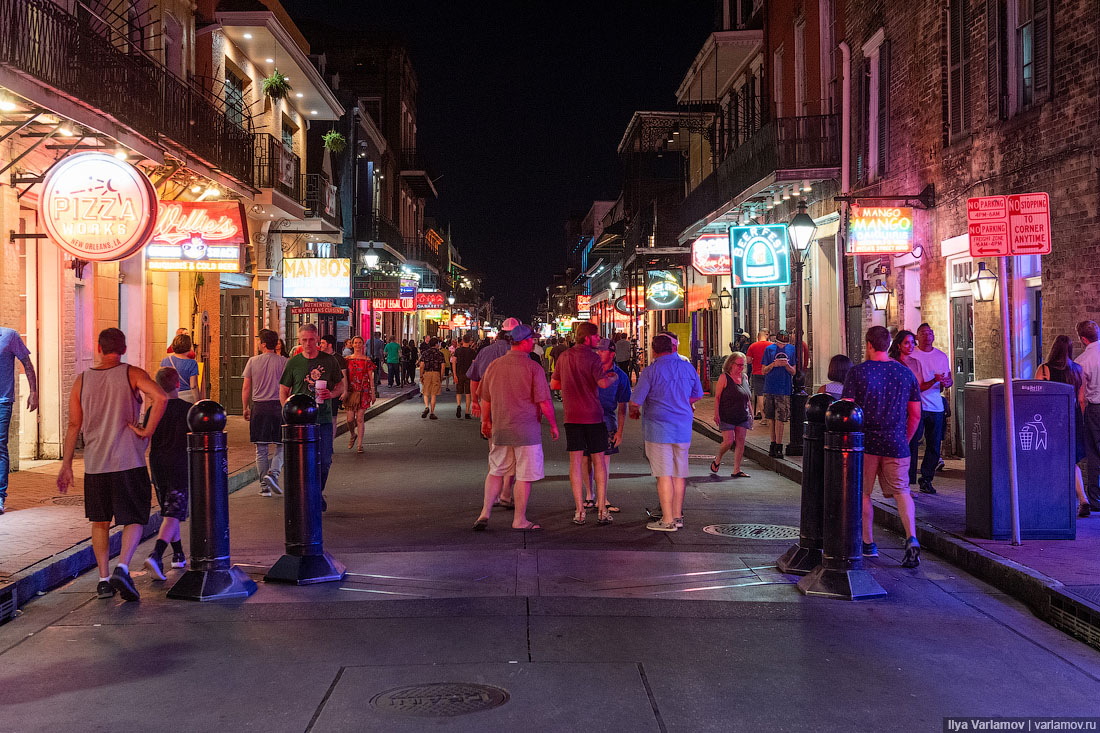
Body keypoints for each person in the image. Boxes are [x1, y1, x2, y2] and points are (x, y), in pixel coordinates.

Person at [58, 328, 167, 601]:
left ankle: (104, 580)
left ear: (98, 348)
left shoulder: (81, 381)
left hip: (95, 465)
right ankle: (123, 567)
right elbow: (161, 397)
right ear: (124, 348)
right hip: (128, 460)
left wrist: (66, 464)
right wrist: (147, 430)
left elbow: (74, 424)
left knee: (100, 521)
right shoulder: (132, 373)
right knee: (135, 518)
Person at [842, 325, 922, 568]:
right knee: (902, 491)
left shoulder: (857, 373)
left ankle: (868, 543)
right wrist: (904, 439)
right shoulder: (905, 373)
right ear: (889, 345)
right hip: (896, 442)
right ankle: (911, 538)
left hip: (864, 444)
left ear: (868, 345)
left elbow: (847, 409)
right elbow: (916, 414)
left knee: (863, 493)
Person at [473, 323, 558, 531]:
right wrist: (554, 425)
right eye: (532, 340)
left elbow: (485, 399)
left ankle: (485, 513)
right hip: (527, 430)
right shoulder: (533, 367)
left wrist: (486, 421)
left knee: (495, 471)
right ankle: (519, 519)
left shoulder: (495, 365)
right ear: (526, 341)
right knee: (524, 476)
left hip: (501, 427)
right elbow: (544, 402)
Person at [630, 333, 703, 531]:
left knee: (664, 475)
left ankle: (668, 520)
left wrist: (635, 410)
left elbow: (636, 400)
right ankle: (678, 516)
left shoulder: (651, 371)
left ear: (654, 350)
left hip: (658, 428)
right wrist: (682, 402)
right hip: (683, 428)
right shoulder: (687, 367)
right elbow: (697, 395)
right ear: (673, 348)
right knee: (679, 475)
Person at [552, 322, 619, 526]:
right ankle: (601, 509)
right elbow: (602, 383)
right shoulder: (593, 357)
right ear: (588, 338)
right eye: (597, 337)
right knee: (599, 460)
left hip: (572, 416)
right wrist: (613, 377)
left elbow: (554, 384)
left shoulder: (564, 356)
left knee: (575, 462)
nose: (598, 340)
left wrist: (571, 383)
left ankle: (579, 510)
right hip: (593, 415)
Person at [280, 324, 344, 510]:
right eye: (304, 340)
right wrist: (287, 410)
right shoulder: (293, 362)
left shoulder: (329, 361)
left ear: (317, 339)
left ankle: (316, 491)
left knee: (324, 460)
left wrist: (330, 395)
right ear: (300, 340)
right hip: (299, 422)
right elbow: (283, 390)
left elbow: (340, 386)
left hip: (322, 418)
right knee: (301, 463)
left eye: (311, 339)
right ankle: (309, 496)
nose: (308, 343)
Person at [142, 367, 191, 579]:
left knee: (169, 510)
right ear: (178, 384)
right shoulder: (188, 409)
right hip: (179, 463)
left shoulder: (153, 410)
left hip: (158, 464)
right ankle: (157, 553)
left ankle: (178, 554)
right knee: (173, 512)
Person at [1036, 335, 1091, 517]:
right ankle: (1083, 499)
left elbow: (1037, 397)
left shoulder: (1044, 370)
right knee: (1071, 461)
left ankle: (1055, 500)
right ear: (1070, 349)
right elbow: (1081, 399)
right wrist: (1079, 420)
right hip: (1072, 418)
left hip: (1051, 420)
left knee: (1050, 460)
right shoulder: (1077, 369)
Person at [467, 319, 520, 506]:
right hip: (514, 408)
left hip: (489, 407)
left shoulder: (485, 352)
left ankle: (495, 494)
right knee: (513, 453)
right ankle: (506, 492)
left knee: (494, 450)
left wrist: (474, 401)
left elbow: (474, 379)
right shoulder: (519, 353)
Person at [580, 339, 630, 512]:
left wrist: (620, 432)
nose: (598, 353)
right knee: (586, 459)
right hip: (586, 419)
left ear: (611, 353)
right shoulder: (589, 371)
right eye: (597, 351)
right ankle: (589, 494)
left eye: (602, 351)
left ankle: (603, 497)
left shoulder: (620, 376)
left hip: (607, 421)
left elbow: (623, 405)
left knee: (603, 462)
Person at [905, 323, 953, 494]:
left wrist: (947, 382)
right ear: (918, 336)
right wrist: (934, 380)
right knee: (912, 442)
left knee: (934, 445)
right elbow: (916, 386)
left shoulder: (941, 356)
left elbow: (948, 379)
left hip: (936, 406)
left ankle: (926, 479)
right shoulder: (912, 356)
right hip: (916, 406)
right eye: (923, 333)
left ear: (933, 336)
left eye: (929, 333)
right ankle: (908, 480)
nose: (927, 336)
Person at [243, 328, 288, 497]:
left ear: (262, 344)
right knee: (281, 445)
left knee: (261, 448)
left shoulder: (253, 361)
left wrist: (245, 407)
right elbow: (287, 387)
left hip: (259, 407)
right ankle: (274, 473)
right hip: (278, 406)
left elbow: (246, 387)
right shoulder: (284, 362)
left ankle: (264, 486)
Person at [0, 327, 37, 515]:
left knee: (0, 446)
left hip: (2, 402)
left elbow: (27, 363)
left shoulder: (9, 336)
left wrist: (33, 391)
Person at [710, 351, 752, 478]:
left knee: (740, 441)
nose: (740, 368)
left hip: (742, 415)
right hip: (727, 414)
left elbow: (747, 397)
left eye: (742, 365)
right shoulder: (724, 377)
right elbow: (717, 397)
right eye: (738, 365)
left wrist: (750, 412)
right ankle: (718, 459)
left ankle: (736, 469)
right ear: (731, 364)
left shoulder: (744, 377)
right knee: (728, 441)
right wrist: (716, 413)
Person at [1075, 320, 1100, 513]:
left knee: (1094, 455)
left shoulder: (1082, 362)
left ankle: (1095, 499)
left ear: (1083, 339)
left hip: (1095, 409)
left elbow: (1082, 396)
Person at [761, 331, 796, 458]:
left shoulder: (792, 350)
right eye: (779, 343)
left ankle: (779, 445)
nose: (781, 346)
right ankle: (773, 443)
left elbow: (793, 371)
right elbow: (763, 370)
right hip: (770, 387)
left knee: (780, 418)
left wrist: (786, 365)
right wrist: (773, 364)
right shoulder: (769, 349)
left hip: (783, 388)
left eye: (783, 344)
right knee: (771, 417)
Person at [342, 335, 376, 453]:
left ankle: (360, 445)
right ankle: (353, 434)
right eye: (355, 343)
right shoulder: (347, 360)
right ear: (352, 344)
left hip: (363, 391)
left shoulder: (367, 361)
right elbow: (343, 376)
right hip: (351, 391)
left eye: (359, 343)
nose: (357, 345)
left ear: (362, 345)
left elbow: (371, 378)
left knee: (360, 418)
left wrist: (373, 392)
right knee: (350, 418)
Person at [320, 335, 349, 443]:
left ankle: (330, 443)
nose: (320, 345)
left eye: (322, 343)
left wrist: (344, 391)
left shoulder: (338, 359)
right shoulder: (319, 357)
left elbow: (344, 376)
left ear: (329, 344)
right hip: (320, 393)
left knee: (332, 418)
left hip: (333, 392)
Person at [161, 334, 202, 403]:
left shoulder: (165, 361)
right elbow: (193, 386)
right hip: (186, 398)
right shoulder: (192, 363)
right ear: (188, 346)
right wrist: (197, 401)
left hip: (170, 397)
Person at [745, 331, 771, 423]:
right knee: (768, 394)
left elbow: (748, 360)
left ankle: (764, 418)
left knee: (760, 395)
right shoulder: (771, 346)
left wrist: (754, 361)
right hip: (769, 372)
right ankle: (770, 416)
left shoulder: (753, 346)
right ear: (766, 336)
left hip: (757, 372)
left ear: (757, 337)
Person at [418, 337, 445, 419]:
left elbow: (421, 366)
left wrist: (421, 375)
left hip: (427, 373)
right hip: (436, 373)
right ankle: (432, 413)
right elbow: (443, 367)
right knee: (433, 394)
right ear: (436, 344)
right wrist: (441, 376)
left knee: (425, 392)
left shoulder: (425, 353)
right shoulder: (440, 354)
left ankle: (426, 407)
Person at [453, 333, 477, 419]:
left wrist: (454, 374)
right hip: (469, 374)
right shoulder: (472, 351)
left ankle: (459, 405)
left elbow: (454, 362)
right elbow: (474, 364)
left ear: (462, 341)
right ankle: (467, 412)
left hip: (459, 373)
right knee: (468, 393)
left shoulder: (458, 350)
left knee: (458, 391)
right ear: (470, 342)